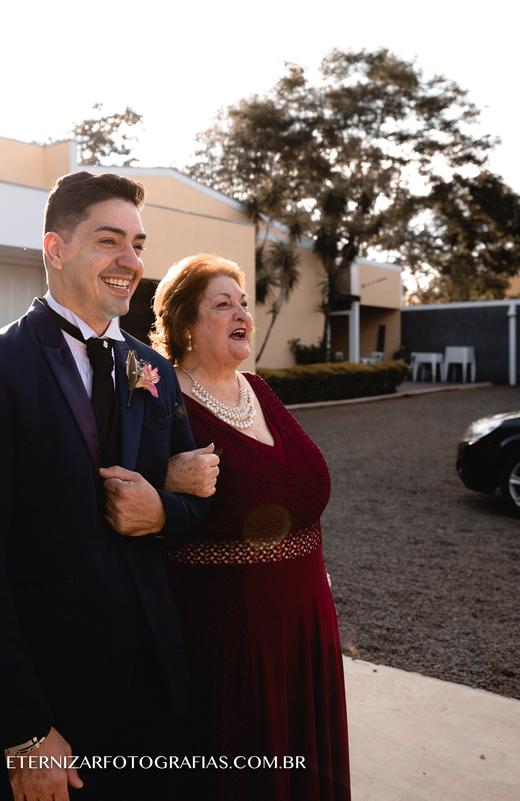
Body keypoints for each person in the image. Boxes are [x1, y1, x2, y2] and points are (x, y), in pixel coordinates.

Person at [0, 172, 215, 801]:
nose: (130, 261)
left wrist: (160, 512)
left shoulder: (156, 370)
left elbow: (195, 510)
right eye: (110, 240)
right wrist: (24, 731)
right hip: (49, 699)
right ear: (55, 248)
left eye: (137, 244)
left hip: (151, 688)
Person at [153, 253, 351, 801]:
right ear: (185, 323)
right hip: (230, 631)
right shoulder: (161, 404)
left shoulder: (257, 389)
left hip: (306, 620)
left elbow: (297, 493)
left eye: (243, 303)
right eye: (223, 304)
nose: (242, 312)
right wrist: (163, 477)